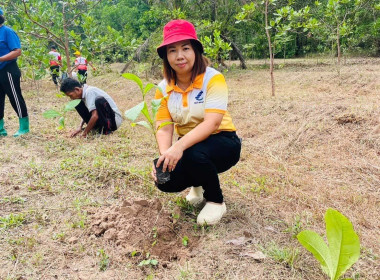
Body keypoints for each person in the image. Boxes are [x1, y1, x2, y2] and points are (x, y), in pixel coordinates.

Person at [152, 19, 241, 225]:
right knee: (166, 181)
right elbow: (164, 128)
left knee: (193, 154)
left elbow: (212, 123)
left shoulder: (213, 79)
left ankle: (216, 201)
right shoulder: (163, 88)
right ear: (166, 56)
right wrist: (165, 157)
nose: (179, 56)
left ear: (196, 51)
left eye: (185, 48)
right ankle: (197, 188)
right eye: (172, 50)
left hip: (223, 141)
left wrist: (179, 148)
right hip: (190, 145)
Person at [0, 7, 29, 137]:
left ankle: (24, 127)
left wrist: (0, 59)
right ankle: (1, 129)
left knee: (15, 97)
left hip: (8, 69)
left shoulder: (7, 32)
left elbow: (17, 51)